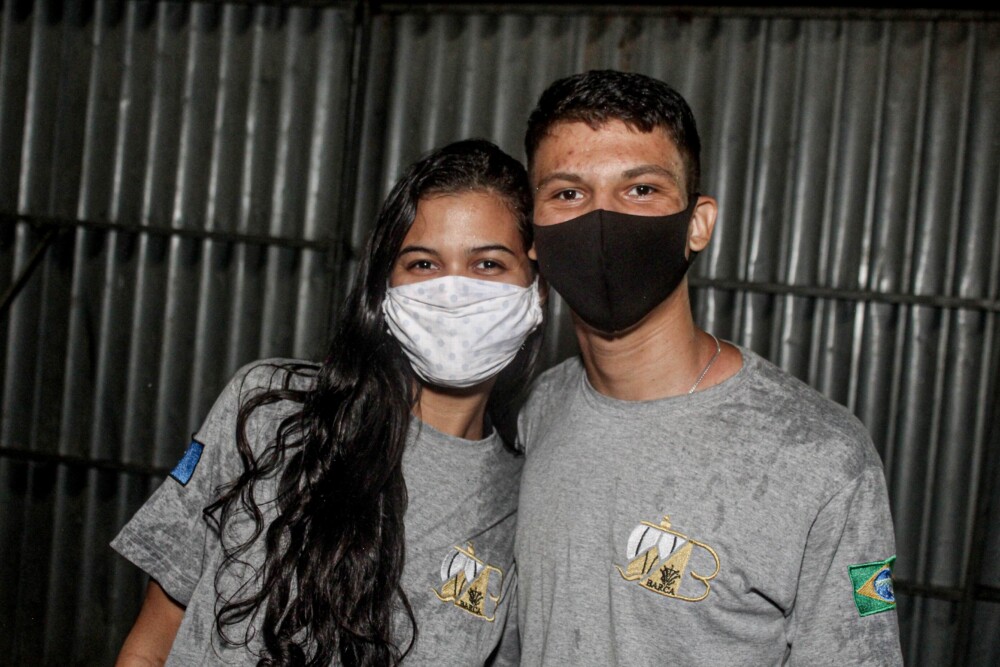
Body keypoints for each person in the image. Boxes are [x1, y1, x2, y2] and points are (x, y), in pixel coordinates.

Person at [514, 70, 902, 665]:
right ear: (534, 237)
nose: (602, 219)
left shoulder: (819, 457)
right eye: (568, 194)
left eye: (641, 189)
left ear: (697, 224)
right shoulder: (536, 409)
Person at [111, 138, 545, 666]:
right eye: (423, 264)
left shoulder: (524, 504)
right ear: (384, 289)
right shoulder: (270, 409)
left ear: (536, 290)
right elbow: (152, 643)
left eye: (488, 264)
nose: (453, 293)